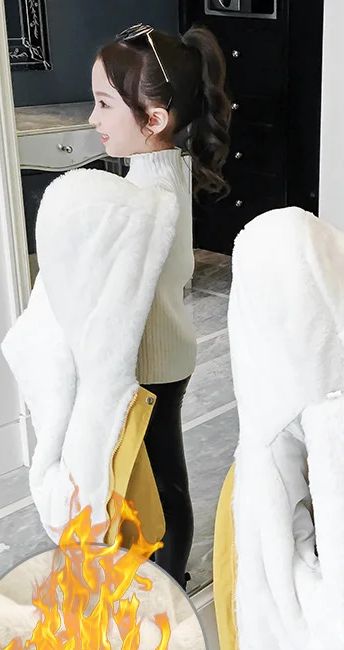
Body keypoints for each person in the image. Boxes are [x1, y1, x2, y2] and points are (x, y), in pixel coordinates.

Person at [88, 22, 232, 588]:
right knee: (155, 470)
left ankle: (169, 582)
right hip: (164, 351)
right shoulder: (162, 174)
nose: (93, 118)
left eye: (104, 104)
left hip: (152, 360)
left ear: (153, 120)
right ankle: (159, 572)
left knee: (162, 477)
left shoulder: (147, 198)